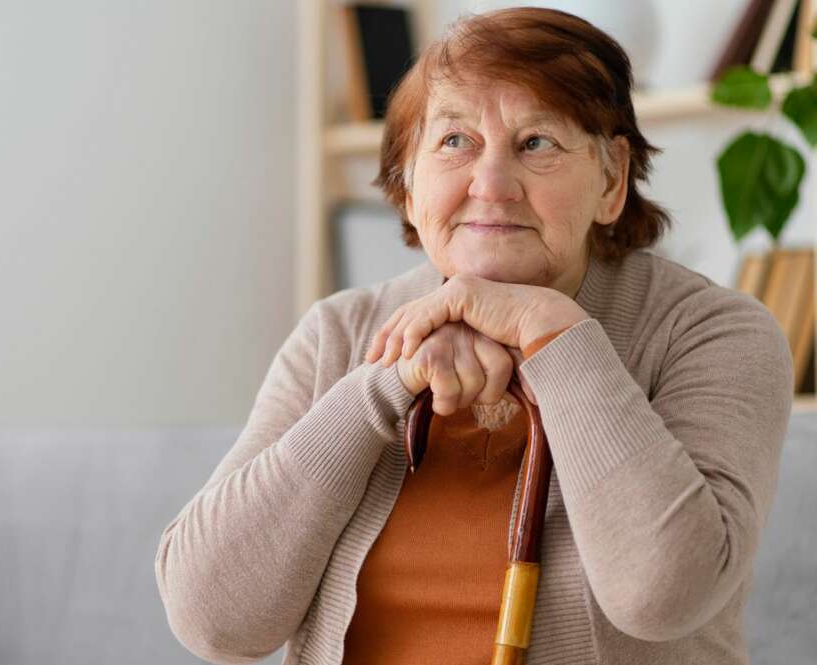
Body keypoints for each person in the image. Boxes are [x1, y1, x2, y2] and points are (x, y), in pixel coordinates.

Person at [156, 8, 794, 665]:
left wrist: (554, 334)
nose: (491, 185)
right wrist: (384, 383)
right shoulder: (337, 333)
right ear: (406, 184)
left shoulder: (713, 332)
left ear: (610, 179)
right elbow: (214, 621)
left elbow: (662, 594)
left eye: (537, 142)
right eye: (455, 141)